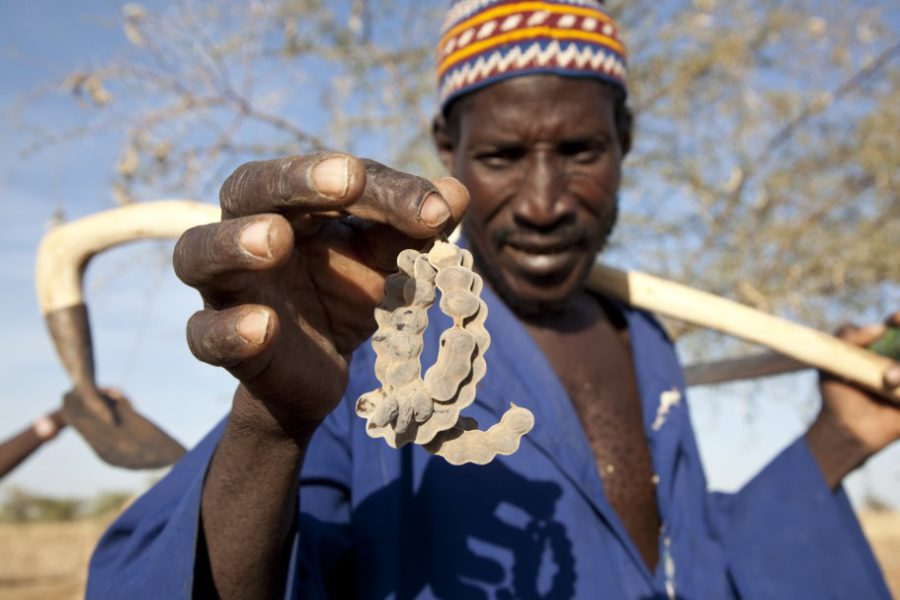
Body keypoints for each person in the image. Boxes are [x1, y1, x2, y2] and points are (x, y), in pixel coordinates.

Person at [87, 1, 900, 598]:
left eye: (581, 150)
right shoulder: (371, 343)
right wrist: (272, 427)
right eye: (505, 155)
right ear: (449, 150)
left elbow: (680, 563)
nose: (544, 202)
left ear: (626, 139)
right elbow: (199, 582)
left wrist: (835, 440)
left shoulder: (644, 338)